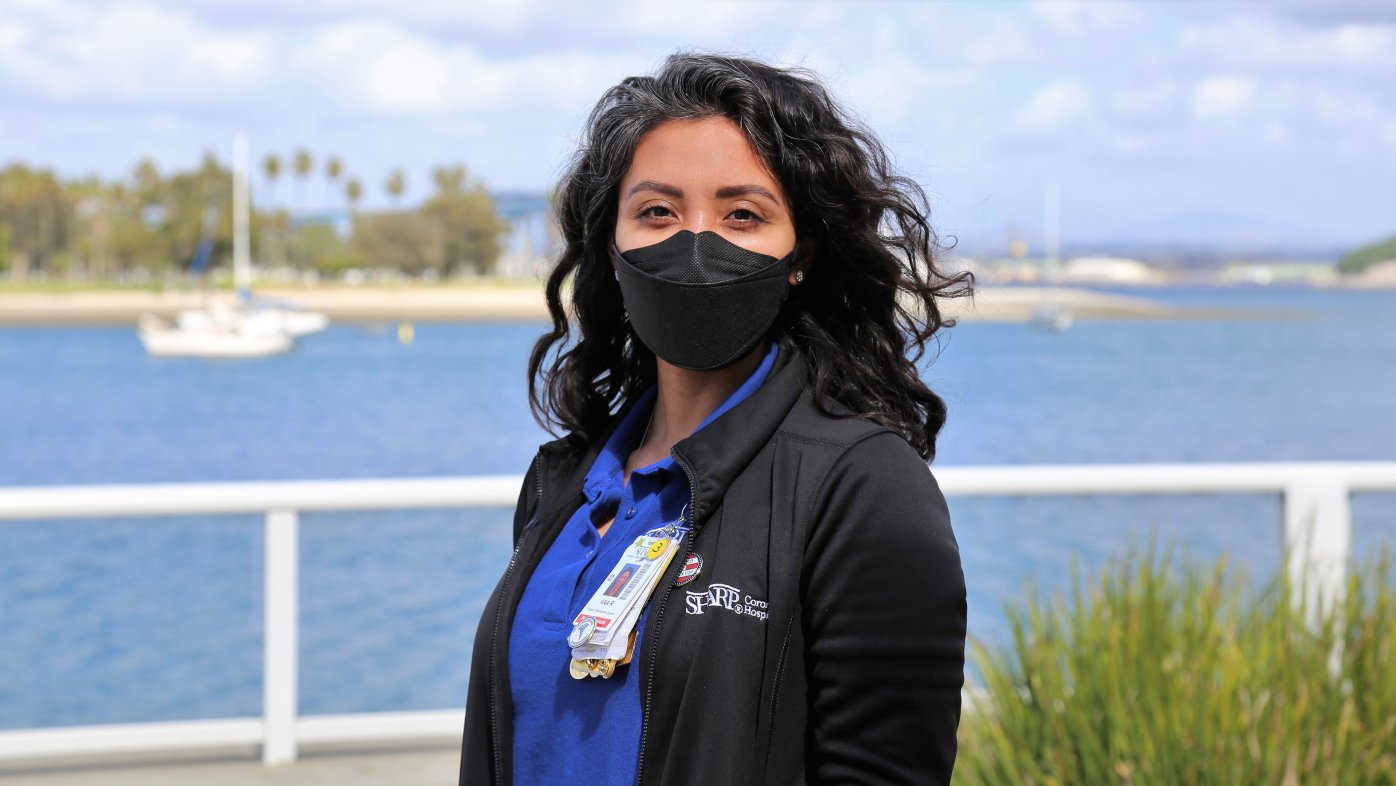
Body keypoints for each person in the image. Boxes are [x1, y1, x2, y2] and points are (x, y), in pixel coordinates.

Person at [460, 51, 972, 786]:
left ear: (801, 255)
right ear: (612, 247)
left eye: (742, 214)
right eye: (658, 212)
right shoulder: (563, 481)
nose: (696, 244)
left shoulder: (864, 486)